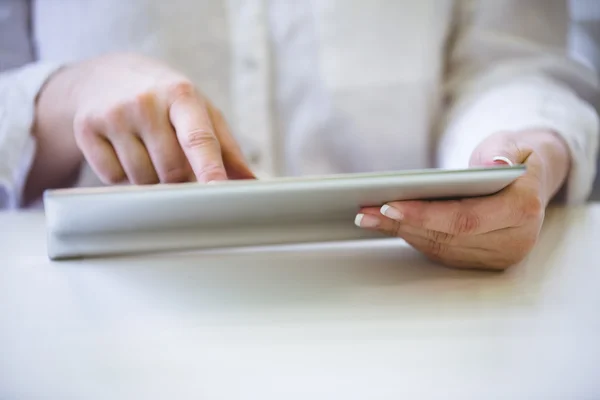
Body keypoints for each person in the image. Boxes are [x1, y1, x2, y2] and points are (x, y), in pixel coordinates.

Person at [0, 0, 598, 269]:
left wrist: (521, 149)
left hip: (407, 292)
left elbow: (507, 61)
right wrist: (66, 93)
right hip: (95, 307)